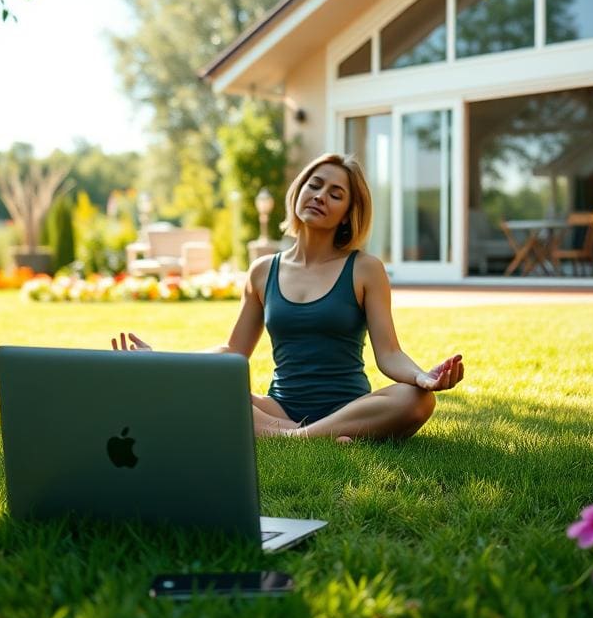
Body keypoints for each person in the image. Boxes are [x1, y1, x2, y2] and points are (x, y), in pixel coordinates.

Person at [112, 153, 464, 441]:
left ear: (346, 216)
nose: (320, 195)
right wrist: (167, 362)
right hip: (278, 409)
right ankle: (311, 435)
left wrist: (422, 378)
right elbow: (233, 353)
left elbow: (389, 354)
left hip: (350, 406)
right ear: (299, 191)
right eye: (315, 184)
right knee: (207, 391)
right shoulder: (263, 271)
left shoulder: (365, 269)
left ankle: (295, 436)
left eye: (336, 194)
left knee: (416, 399)